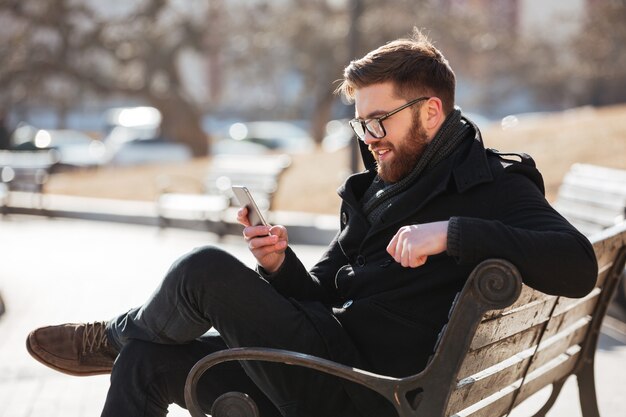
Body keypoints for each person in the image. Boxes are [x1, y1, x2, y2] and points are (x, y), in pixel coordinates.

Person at [26, 28, 598, 417]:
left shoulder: (489, 188)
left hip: (367, 392)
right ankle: (125, 340)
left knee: (203, 269)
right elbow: (322, 294)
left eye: (380, 121)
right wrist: (279, 266)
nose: (370, 139)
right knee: (144, 360)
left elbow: (576, 264)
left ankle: (112, 333)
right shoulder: (387, 188)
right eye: (361, 125)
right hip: (333, 361)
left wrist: (451, 233)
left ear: (431, 111)